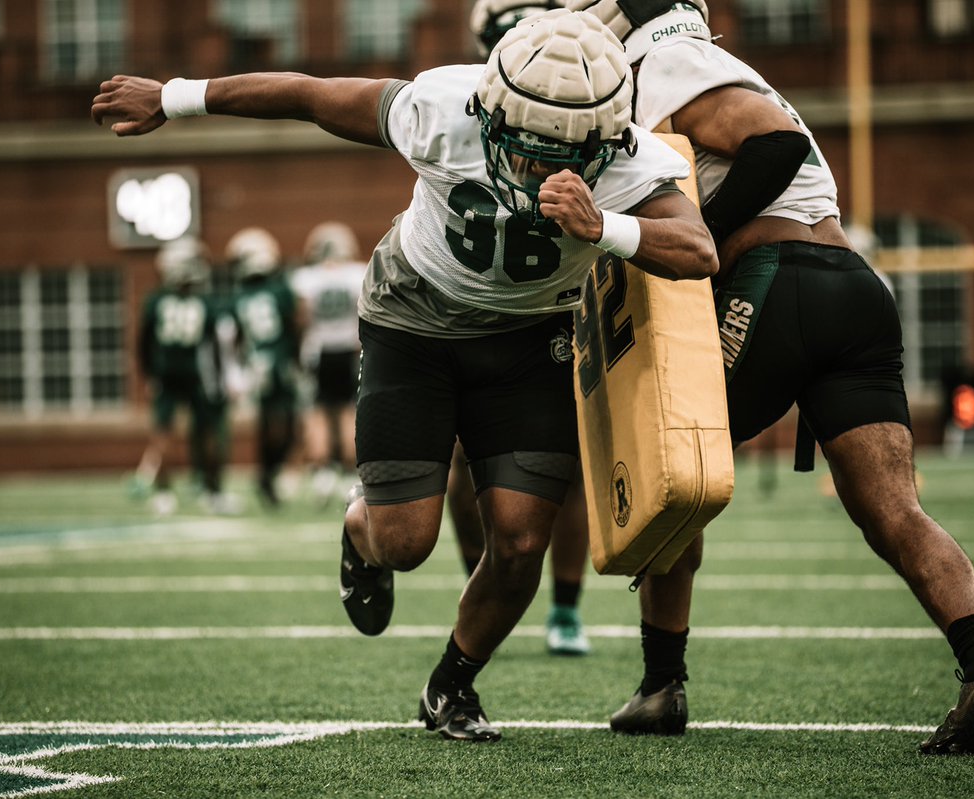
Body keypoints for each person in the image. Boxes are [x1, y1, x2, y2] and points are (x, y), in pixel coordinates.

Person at [92, 8, 717, 742]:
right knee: (404, 542)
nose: (534, 170)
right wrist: (174, 97)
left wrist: (605, 226)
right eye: (522, 147)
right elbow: (308, 93)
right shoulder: (441, 108)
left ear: (603, 142)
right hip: (413, 321)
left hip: (529, 339)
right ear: (489, 111)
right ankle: (360, 531)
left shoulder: (628, 158)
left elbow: (698, 250)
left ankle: (453, 684)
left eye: (559, 156)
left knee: (520, 543)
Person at [570, 0, 974, 754]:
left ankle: (661, 683)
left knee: (668, 473)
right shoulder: (719, 65)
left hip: (776, 279)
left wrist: (703, 235)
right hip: (851, 287)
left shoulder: (672, 63)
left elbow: (774, 144)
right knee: (895, 511)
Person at [460, 0, 593, 657]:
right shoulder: (461, 103)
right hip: (482, 308)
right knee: (461, 464)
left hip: (566, 305)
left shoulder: (595, 96)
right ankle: (483, 589)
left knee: (570, 466)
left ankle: (564, 606)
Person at [132, 236, 230, 515]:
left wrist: (149, 374)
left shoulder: (156, 301)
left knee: (163, 435)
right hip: (197, 374)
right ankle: (212, 492)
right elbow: (215, 345)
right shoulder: (204, 303)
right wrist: (220, 377)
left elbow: (144, 344)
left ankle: (164, 495)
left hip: (166, 374)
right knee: (208, 432)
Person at [226, 226, 306, 507]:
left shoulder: (240, 295)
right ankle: (269, 474)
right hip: (279, 362)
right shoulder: (280, 290)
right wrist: (297, 359)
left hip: (258, 365)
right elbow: (295, 326)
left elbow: (236, 338)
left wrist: (241, 366)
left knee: (268, 423)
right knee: (287, 424)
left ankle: (266, 474)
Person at [290, 221, 366, 504]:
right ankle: (348, 470)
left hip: (319, 351)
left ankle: (322, 472)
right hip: (348, 349)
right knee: (349, 411)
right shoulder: (357, 274)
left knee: (319, 413)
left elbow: (302, 318)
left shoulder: (306, 278)